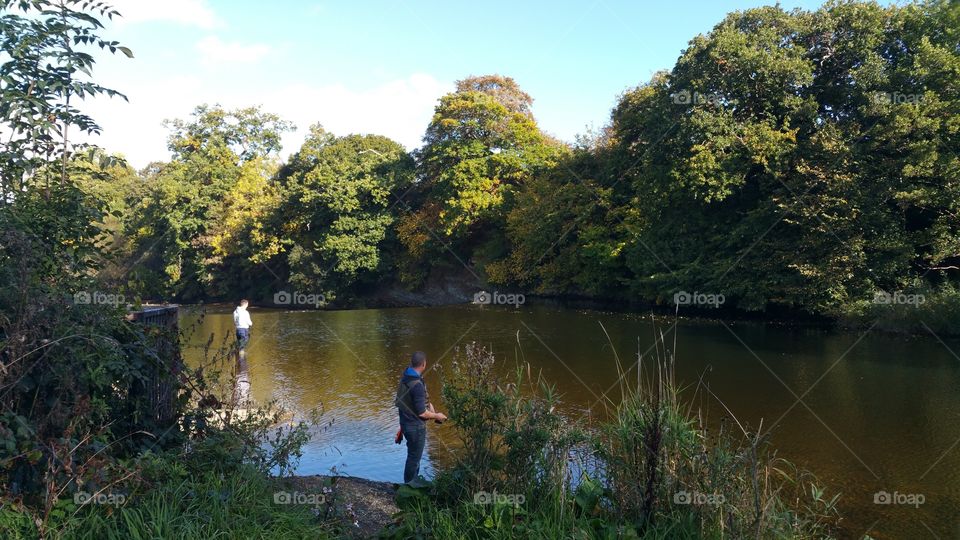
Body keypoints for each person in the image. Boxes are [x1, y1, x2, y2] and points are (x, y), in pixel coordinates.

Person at [395, 351, 446, 484]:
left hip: (406, 424)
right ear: (424, 364)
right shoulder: (416, 385)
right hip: (415, 428)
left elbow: (407, 403)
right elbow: (422, 413)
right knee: (414, 458)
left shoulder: (406, 376)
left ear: (412, 363)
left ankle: (412, 484)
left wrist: (401, 428)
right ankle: (409, 486)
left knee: (413, 456)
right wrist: (436, 415)